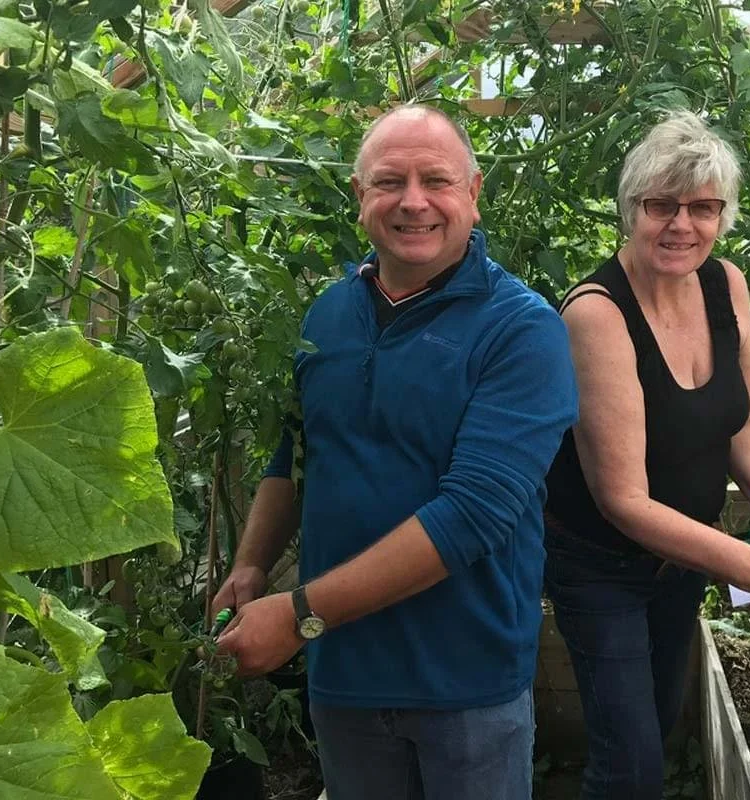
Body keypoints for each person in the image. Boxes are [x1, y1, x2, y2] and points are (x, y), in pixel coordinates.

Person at [211, 104, 579, 800]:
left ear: (473, 192)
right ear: (360, 196)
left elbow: (471, 515)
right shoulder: (328, 313)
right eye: (389, 182)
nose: (413, 202)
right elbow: (294, 454)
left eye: (436, 180)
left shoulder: (521, 330)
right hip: (343, 670)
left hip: (464, 680)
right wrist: (252, 563)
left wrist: (297, 615)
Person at [543, 111, 750, 799]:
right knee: (629, 764)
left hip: (683, 561)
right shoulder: (595, 314)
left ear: (722, 215)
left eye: (702, 207)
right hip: (600, 565)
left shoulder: (724, 285)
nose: (682, 225)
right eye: (661, 205)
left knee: (658, 721)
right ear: (631, 210)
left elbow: (734, 418)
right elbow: (622, 499)